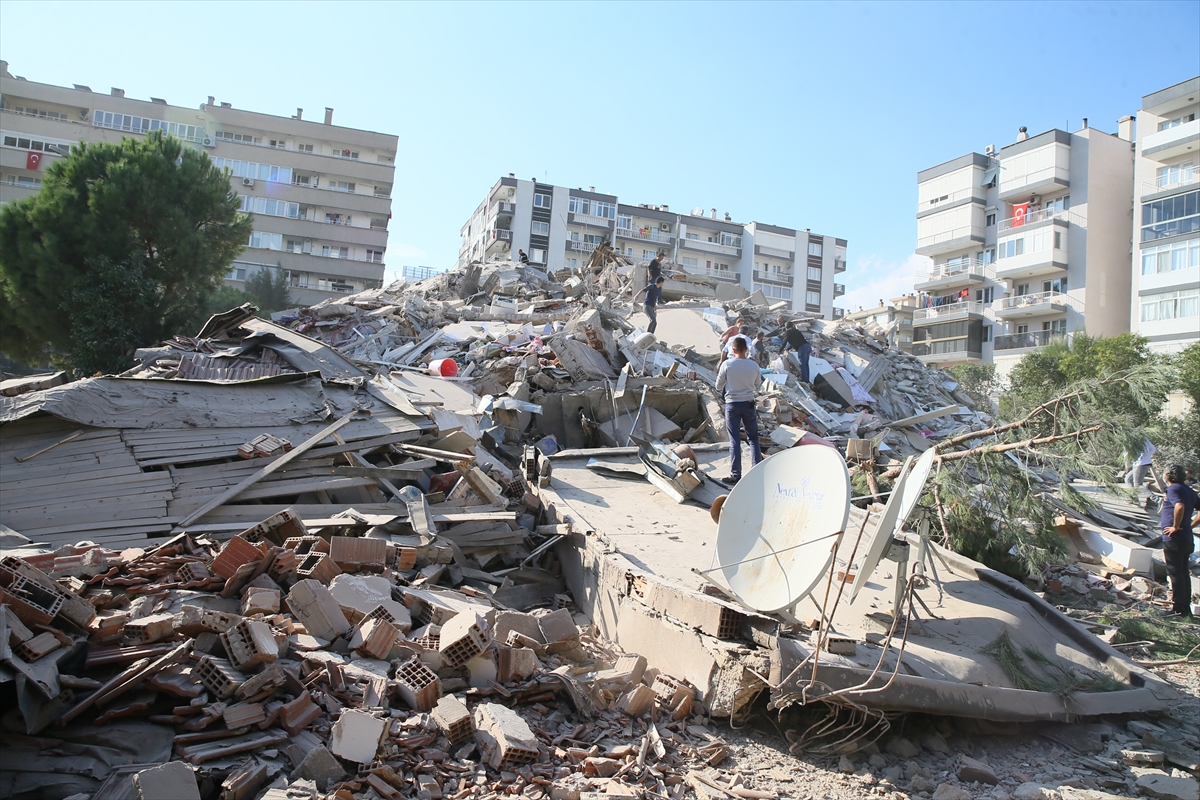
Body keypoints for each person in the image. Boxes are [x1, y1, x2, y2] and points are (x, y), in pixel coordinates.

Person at [716, 336, 763, 484]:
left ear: (733, 349)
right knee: (753, 439)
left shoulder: (727, 364)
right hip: (748, 404)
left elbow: (718, 386)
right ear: (747, 349)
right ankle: (756, 472)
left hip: (732, 405)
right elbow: (758, 386)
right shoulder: (754, 365)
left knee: (734, 440)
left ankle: (736, 474)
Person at [1160, 464, 1199, 617]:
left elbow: (1179, 506)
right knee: (1182, 572)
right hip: (1186, 538)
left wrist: (1175, 526)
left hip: (1174, 538)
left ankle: (1178, 609)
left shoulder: (1174, 489)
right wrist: (1191, 525)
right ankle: (1185, 609)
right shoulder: (1188, 490)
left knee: (1175, 572)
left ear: (1167, 476)